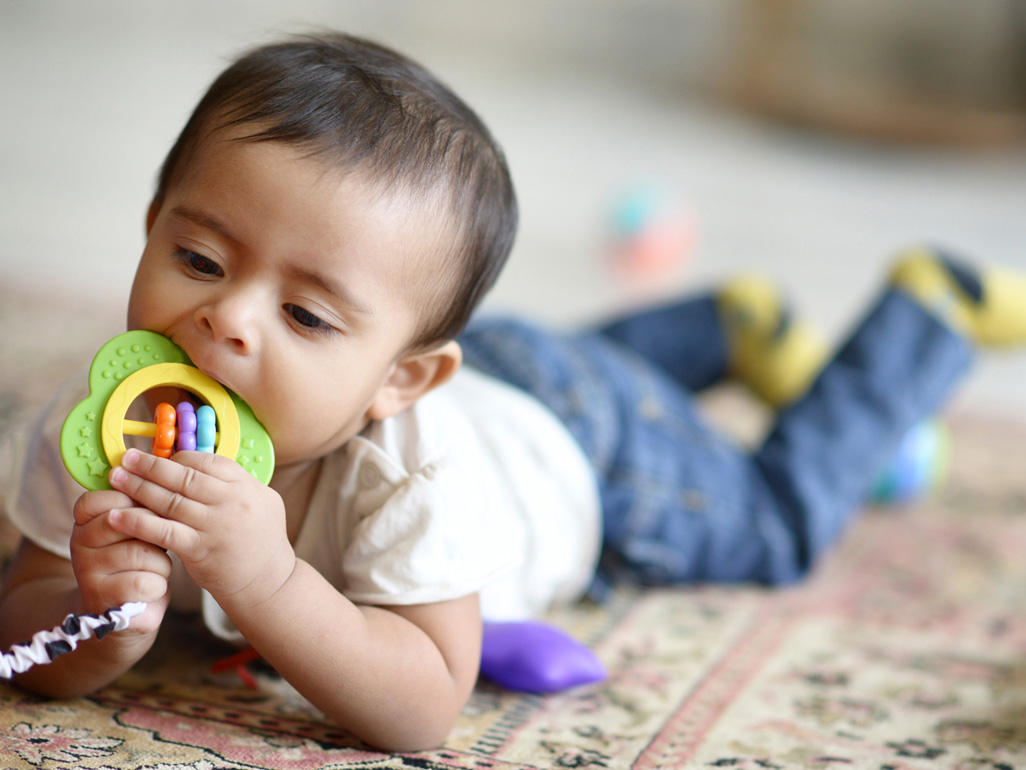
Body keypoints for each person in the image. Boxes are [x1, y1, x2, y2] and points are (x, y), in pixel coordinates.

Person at [2, 31, 1025, 752]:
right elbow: (28, 619)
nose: (228, 320)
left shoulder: (411, 470)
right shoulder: (106, 421)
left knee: (771, 524)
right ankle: (719, 325)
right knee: (521, 358)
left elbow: (421, 705)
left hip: (592, 452)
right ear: (149, 224)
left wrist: (268, 579)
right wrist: (103, 620)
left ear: (400, 381)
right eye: (199, 256)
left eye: (306, 315)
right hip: (491, 367)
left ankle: (925, 314)